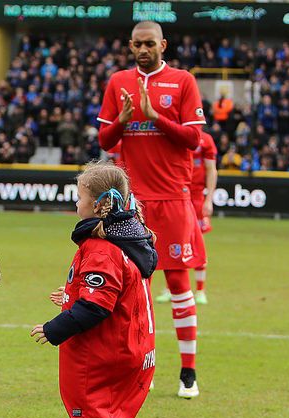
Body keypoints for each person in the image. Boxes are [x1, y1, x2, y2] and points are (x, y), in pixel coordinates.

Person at [31, 162, 156, 418]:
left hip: (109, 347)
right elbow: (112, 289)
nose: (76, 204)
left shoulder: (102, 246)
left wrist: (55, 328)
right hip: (127, 341)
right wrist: (71, 295)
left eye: (80, 197)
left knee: (99, 413)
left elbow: (98, 305)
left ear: (98, 203)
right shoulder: (126, 236)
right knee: (103, 414)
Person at [97, 21, 206, 398]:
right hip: (133, 203)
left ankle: (188, 372)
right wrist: (124, 120)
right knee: (137, 288)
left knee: (178, 284)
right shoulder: (117, 82)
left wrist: (156, 117)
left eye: (150, 44)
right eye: (137, 45)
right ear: (130, 46)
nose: (144, 50)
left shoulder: (183, 81)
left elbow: (195, 139)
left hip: (174, 198)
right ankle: (145, 367)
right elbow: (105, 139)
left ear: (163, 44)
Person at [156, 129, 217, 305]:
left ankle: (200, 290)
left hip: (196, 198)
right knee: (169, 241)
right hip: (175, 196)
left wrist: (209, 199)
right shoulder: (173, 136)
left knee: (198, 244)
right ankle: (170, 288)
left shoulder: (206, 140)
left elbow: (211, 170)